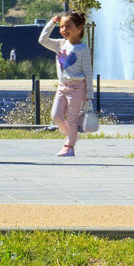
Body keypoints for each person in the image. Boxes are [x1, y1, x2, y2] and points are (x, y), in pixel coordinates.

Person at [40, 11, 92, 157]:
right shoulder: (60, 44)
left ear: (79, 29)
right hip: (62, 87)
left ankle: (69, 146)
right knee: (56, 116)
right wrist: (51, 23)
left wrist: (89, 94)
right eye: (61, 26)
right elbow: (42, 40)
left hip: (77, 88)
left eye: (68, 26)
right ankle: (72, 134)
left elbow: (88, 73)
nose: (64, 29)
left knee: (72, 118)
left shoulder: (83, 49)